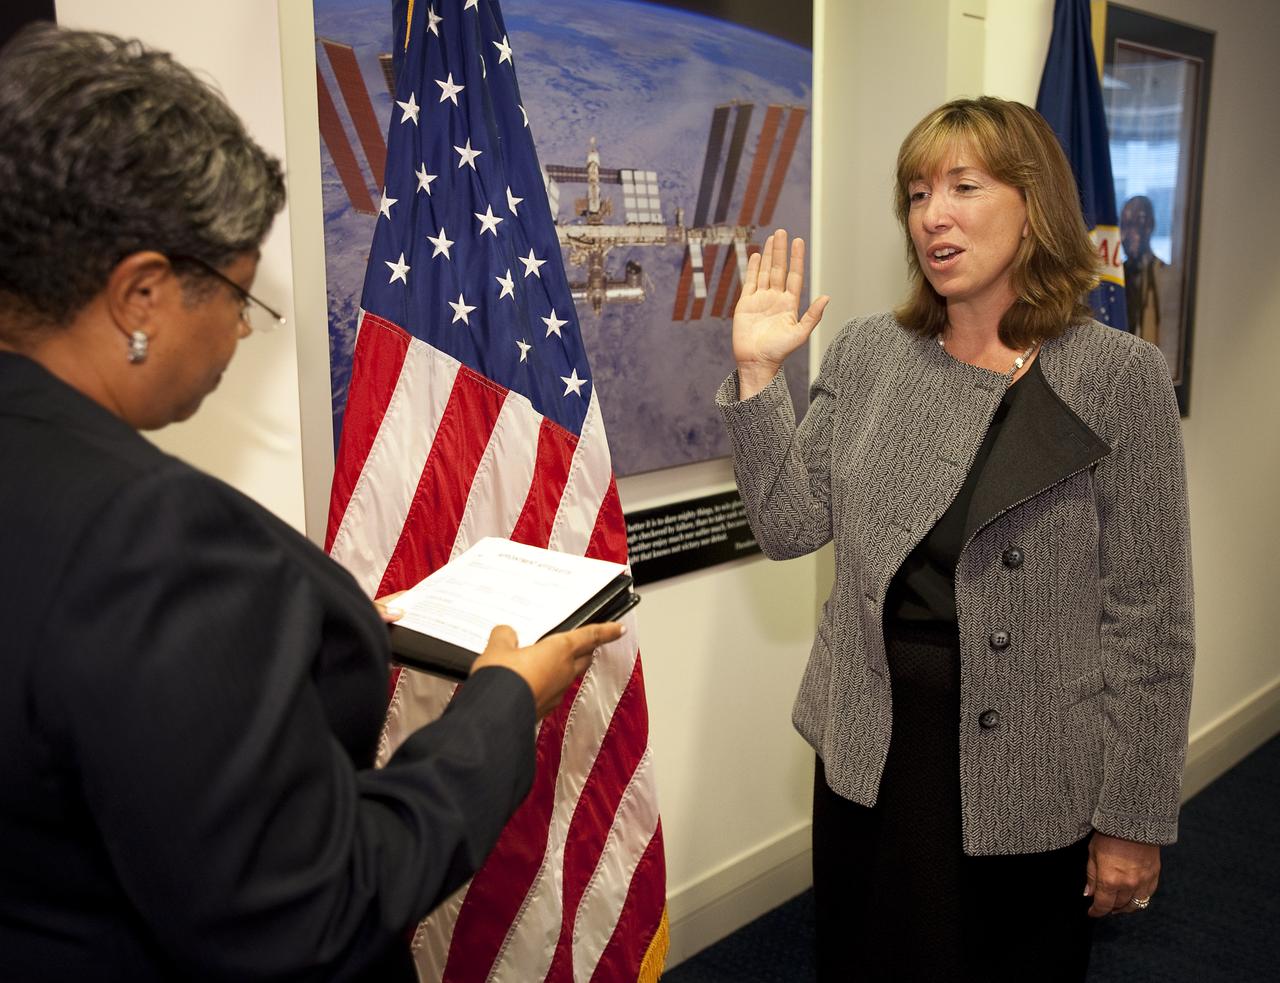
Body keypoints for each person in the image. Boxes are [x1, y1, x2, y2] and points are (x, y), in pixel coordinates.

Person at [0, 24, 622, 981]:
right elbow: (310, 909)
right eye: (239, 296)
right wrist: (503, 700)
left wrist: (284, 632)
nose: (242, 334)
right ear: (141, 296)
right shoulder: (150, 535)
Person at [718, 97, 1193, 981]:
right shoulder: (868, 355)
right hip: (876, 749)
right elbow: (787, 527)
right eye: (916, 193)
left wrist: (1133, 815)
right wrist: (756, 375)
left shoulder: (1119, 376)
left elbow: (1151, 617)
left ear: (1033, 204)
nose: (933, 213)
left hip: (1034, 762)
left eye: (964, 186)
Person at [1120, 194, 1182, 374]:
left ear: (1150, 227)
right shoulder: (1114, 282)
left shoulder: (1166, 277)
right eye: (1124, 225)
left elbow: (1171, 338)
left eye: (1135, 225)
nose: (1127, 235)